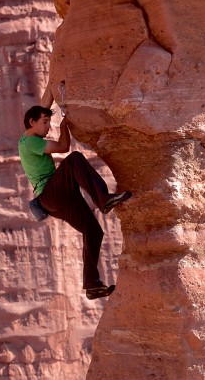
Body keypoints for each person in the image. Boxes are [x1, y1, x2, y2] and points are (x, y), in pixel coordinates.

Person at [19, 105, 131, 299]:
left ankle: (92, 285)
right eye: (45, 122)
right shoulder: (31, 142)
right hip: (50, 194)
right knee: (74, 159)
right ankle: (103, 199)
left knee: (93, 231)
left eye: (49, 122)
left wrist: (53, 92)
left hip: (59, 200)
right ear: (32, 122)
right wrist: (65, 124)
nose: (48, 127)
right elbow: (63, 147)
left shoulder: (25, 139)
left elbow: (43, 104)